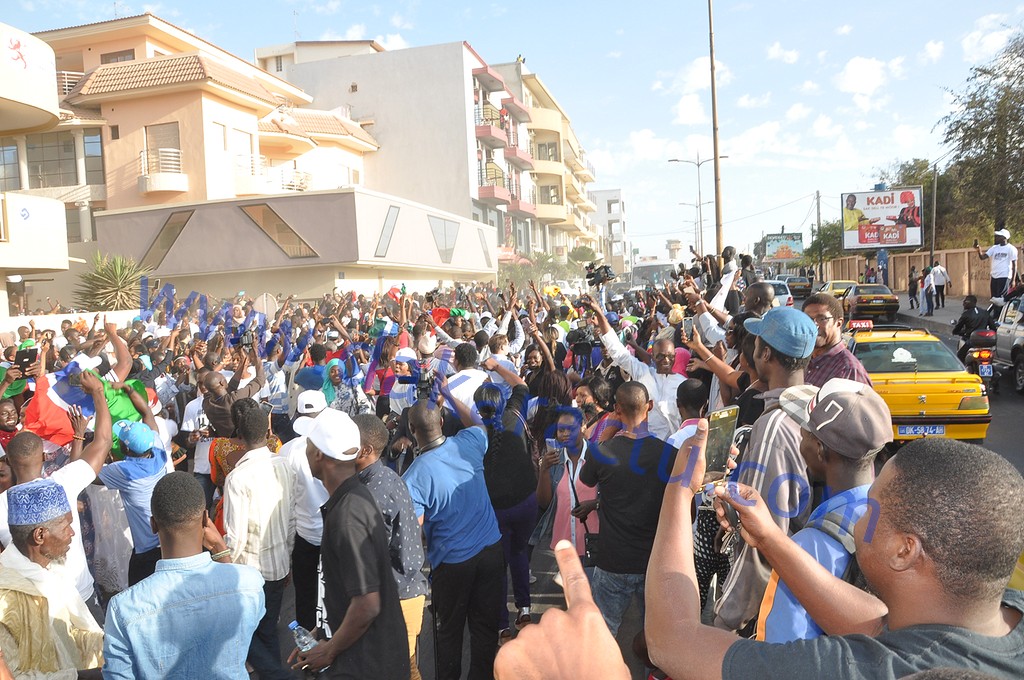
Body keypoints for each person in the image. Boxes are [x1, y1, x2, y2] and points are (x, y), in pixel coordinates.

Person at [496, 426, 1024, 680]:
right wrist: (771, 538)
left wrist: (681, 486)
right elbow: (881, 625)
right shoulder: (997, 622)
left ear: (907, 551)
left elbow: (671, 640)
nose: (860, 513)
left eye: (874, 511)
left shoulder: (850, 671)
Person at [758, 379, 891, 643]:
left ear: (819, 450)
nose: (799, 437)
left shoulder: (810, 546)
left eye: (804, 432)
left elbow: (782, 649)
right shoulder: (895, 513)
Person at [714, 307, 817, 634]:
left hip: (772, 601)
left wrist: (726, 618)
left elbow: (763, 538)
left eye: (756, 340)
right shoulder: (818, 404)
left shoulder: (773, 426)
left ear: (766, 352)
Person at [102, 472, 266, 678]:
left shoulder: (123, 608)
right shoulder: (250, 583)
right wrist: (221, 549)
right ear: (206, 519)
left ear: (153, 525)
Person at [290, 408, 410, 678]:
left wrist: (330, 648)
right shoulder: (353, 497)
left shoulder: (348, 514)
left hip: (367, 666)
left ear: (319, 454)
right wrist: (322, 630)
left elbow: (368, 602)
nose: (305, 449)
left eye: (309, 443)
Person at [402, 386, 504, 680]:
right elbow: (477, 422)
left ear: (411, 430)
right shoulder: (470, 441)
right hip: (491, 552)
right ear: (443, 421)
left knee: (449, 634)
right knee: (484, 629)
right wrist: (448, 393)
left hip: (453, 565)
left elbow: (415, 534)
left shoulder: (413, 477)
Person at [0, 370, 112, 625]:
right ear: (43, 457)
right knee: (96, 662)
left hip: (34, 610)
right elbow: (104, 440)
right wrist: (98, 392)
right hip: (82, 600)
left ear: (8, 461)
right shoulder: (63, 483)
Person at [579, 381, 676, 637]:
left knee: (604, 633)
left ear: (617, 410)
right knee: (654, 635)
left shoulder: (603, 452)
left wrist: (606, 434)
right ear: (650, 407)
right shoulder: (670, 454)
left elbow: (586, 480)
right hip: (652, 561)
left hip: (613, 560)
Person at [222, 398, 296, 680]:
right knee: (265, 632)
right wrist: (287, 558)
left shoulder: (238, 478)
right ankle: (276, 673)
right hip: (277, 566)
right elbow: (291, 519)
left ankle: (278, 675)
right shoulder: (284, 465)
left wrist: (225, 571)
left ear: (239, 436)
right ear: (267, 433)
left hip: (248, 572)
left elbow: (235, 538)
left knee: (245, 634)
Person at [0, 479, 104, 678]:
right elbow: (12, 675)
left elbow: (67, 637)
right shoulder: (6, 596)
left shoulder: (52, 570)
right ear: (40, 535)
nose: (73, 533)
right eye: (66, 527)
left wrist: (111, 645)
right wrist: (85, 676)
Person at [351, 413, 428, 680]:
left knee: (400, 671)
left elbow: (368, 557)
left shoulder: (374, 491)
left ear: (365, 450)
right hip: (406, 592)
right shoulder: (384, 476)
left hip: (397, 597)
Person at [474, 359, 537, 641]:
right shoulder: (515, 414)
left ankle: (502, 626)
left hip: (494, 513)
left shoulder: (474, 436)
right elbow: (521, 384)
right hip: (526, 503)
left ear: (479, 410)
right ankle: (524, 609)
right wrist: (496, 367)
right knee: (520, 553)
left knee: (498, 568)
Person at [588, 299, 685, 440]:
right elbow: (617, 351)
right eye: (661, 356)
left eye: (670, 356)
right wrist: (599, 312)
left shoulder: (682, 383)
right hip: (645, 447)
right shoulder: (644, 373)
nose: (666, 360)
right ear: (652, 356)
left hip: (674, 449)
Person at [278, 390, 330, 632]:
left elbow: (284, 499)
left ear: (297, 413)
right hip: (333, 533)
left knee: (306, 597)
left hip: (304, 536)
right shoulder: (335, 443)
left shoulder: (286, 450)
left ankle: (307, 652)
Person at [100, 415, 169, 586]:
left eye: (121, 440)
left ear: (127, 450)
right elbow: (147, 413)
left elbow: (85, 471)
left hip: (146, 551)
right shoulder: (159, 451)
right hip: (168, 542)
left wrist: (96, 441)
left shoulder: (124, 471)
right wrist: (129, 390)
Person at [536, 408, 599, 580]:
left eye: (570, 429)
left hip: (593, 542)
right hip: (564, 543)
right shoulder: (554, 460)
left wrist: (593, 505)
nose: (564, 434)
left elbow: (611, 497)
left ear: (583, 426)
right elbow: (544, 503)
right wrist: (543, 471)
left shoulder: (598, 456)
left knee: (591, 594)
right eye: (560, 429)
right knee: (571, 594)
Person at [801, 293, 872, 388]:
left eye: (822, 319)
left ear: (838, 323)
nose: (814, 325)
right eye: (808, 319)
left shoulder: (848, 370)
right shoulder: (805, 361)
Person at [202, 345, 265, 437]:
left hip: (223, 443)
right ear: (222, 384)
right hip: (238, 442)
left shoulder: (206, 403)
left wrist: (243, 363)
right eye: (224, 379)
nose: (227, 380)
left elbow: (231, 386)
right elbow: (260, 380)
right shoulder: (233, 399)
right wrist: (256, 353)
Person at [951, 296, 998, 363]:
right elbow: (993, 327)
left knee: (960, 356)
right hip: (985, 343)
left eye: (965, 302)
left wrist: (957, 332)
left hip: (971, 342)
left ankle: (963, 370)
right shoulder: (985, 312)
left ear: (971, 303)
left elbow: (958, 328)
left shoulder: (966, 314)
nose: (963, 303)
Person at [976, 228, 1019, 301]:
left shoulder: (1011, 248)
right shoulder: (994, 248)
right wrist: (978, 250)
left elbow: (1015, 265)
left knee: (1001, 299)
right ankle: (996, 312)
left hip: (1004, 276)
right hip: (994, 276)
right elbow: (983, 257)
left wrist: (1013, 280)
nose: (997, 237)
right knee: (994, 298)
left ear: (1004, 238)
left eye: (999, 236)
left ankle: (1000, 312)